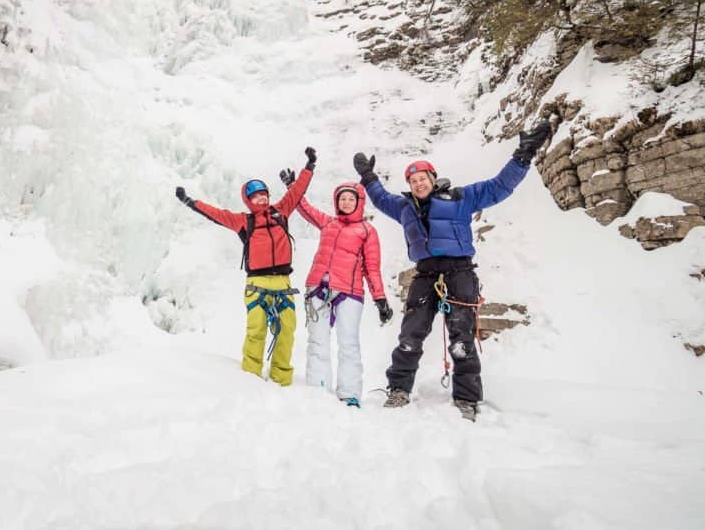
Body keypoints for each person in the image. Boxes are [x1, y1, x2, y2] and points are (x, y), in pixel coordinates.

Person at [352, 122, 552, 420]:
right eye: (413, 180)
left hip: (459, 273)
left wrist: (523, 155)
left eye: (423, 178)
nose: (419, 183)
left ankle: (466, 399)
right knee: (410, 335)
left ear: (433, 178)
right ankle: (399, 390)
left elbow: (499, 187)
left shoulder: (460, 198)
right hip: (426, 274)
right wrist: (367, 177)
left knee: (462, 338)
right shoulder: (404, 207)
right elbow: (380, 198)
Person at [175, 147, 316, 386]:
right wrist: (190, 202)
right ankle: (250, 379)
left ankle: (281, 378)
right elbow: (216, 214)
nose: (261, 199)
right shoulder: (243, 221)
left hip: (283, 282)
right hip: (257, 284)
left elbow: (298, 191)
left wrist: (310, 166)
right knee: (256, 330)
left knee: (286, 330)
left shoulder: (281, 212)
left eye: (263, 195)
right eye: (255, 197)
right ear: (248, 201)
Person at [279, 169, 390, 408]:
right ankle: (317, 388)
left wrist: (380, 298)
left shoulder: (367, 231)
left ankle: (349, 393)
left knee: (348, 342)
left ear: (358, 202)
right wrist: (292, 187)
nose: (346, 202)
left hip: (349, 292)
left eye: (351, 198)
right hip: (318, 287)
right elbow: (304, 208)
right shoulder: (328, 223)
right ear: (336, 201)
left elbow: (372, 268)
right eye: (342, 198)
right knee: (317, 340)